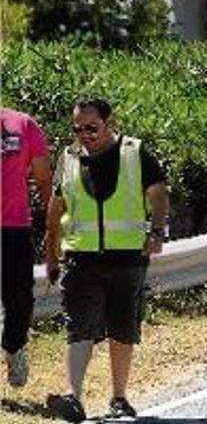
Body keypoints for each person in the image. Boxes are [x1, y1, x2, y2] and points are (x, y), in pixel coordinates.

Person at [44, 99, 169, 422]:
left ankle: (119, 398)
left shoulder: (134, 152)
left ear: (109, 123)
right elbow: (56, 208)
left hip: (128, 258)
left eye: (91, 128)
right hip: (82, 258)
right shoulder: (68, 158)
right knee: (79, 328)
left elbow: (158, 196)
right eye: (77, 129)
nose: (84, 135)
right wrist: (51, 253)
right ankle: (73, 397)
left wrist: (157, 232)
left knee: (122, 329)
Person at [1, 107, 52, 388]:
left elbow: (43, 177)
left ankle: (13, 345)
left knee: (20, 299)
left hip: (14, 228)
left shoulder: (22, 124)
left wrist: (52, 224)